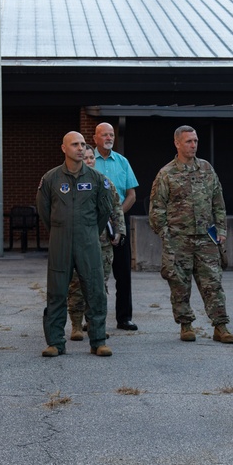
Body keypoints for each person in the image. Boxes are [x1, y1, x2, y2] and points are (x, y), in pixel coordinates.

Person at [148, 125, 233, 344]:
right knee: (179, 285)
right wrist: (166, 235)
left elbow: (219, 203)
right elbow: (156, 208)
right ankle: (186, 325)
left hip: (207, 237)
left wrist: (221, 231)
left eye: (195, 141)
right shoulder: (166, 174)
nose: (193, 145)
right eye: (188, 141)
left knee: (213, 283)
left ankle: (220, 326)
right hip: (179, 239)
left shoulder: (207, 169)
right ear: (177, 143)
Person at [37, 131, 117, 358]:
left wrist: (90, 232)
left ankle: (98, 341)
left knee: (95, 292)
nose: (81, 148)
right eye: (75, 144)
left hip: (88, 242)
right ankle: (55, 343)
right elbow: (44, 212)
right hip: (60, 242)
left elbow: (105, 211)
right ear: (64, 148)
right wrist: (60, 232)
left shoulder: (97, 179)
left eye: (83, 144)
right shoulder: (51, 179)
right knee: (56, 292)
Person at [67, 145, 126, 340]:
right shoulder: (72, 183)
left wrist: (119, 231)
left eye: (92, 157)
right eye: (87, 158)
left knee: (100, 286)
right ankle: (76, 325)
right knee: (76, 285)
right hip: (78, 243)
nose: (90, 161)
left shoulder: (105, 183)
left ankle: (95, 324)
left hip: (102, 244)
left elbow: (116, 208)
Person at [93, 122, 140, 331]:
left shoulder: (122, 162)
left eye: (111, 134)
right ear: (95, 138)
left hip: (118, 223)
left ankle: (124, 318)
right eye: (104, 135)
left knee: (123, 273)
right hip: (94, 225)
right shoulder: (87, 161)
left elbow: (132, 195)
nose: (109, 138)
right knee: (93, 273)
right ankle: (92, 318)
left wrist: (117, 215)